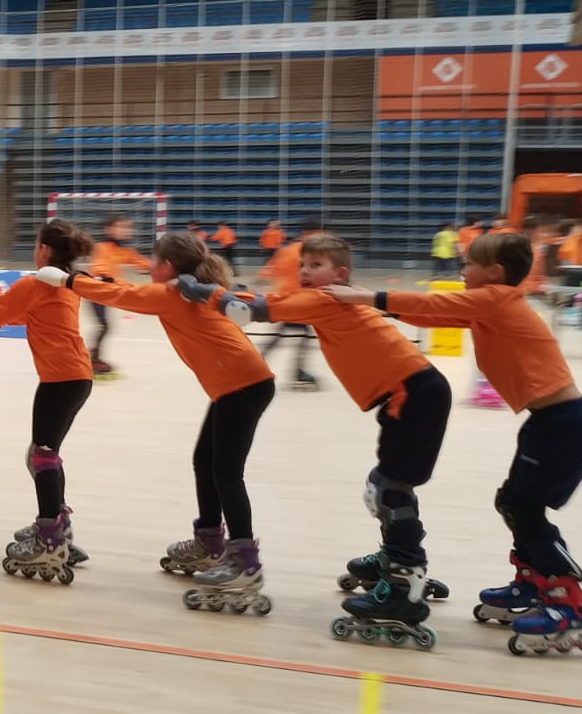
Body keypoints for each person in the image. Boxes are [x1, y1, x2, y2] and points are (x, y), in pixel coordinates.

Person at [320, 232, 582, 657]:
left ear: (495, 272)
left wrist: (366, 296)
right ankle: (533, 582)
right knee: (513, 503)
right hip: (549, 421)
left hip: (565, 423)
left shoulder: (497, 299)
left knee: (525, 510)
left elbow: (433, 303)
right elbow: (433, 316)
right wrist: (376, 307)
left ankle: (570, 604)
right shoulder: (489, 308)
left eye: (469, 264)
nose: (462, 270)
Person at [176, 233, 452, 649]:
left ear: (340, 273)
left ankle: (404, 582)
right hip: (410, 393)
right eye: (303, 264)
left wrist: (200, 291)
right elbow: (267, 299)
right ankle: (398, 559)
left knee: (389, 490)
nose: (305, 271)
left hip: (414, 394)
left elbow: (251, 310)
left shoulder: (325, 298)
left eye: (316, 265)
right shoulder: (333, 297)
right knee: (387, 485)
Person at [36, 231, 276, 615]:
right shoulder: (186, 289)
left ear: (167, 266)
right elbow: (125, 289)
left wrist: (68, 280)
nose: (148, 265)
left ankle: (245, 562)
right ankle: (210, 541)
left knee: (226, 473)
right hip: (238, 386)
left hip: (243, 387)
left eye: (153, 259)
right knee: (206, 463)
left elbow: (122, 296)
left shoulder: (172, 293)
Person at [0, 219, 95, 582]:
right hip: (78, 377)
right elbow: (22, 313)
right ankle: (57, 524)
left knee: (42, 455)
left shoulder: (36, 283)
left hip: (59, 380)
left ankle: (49, 538)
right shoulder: (66, 283)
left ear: (44, 249)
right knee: (43, 454)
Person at [259, 222, 319, 390]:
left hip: (284, 299)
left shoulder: (287, 250)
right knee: (300, 334)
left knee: (283, 334)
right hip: (296, 300)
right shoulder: (307, 252)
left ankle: (258, 362)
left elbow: (270, 272)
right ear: (309, 233)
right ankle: (297, 371)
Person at [85, 215, 147, 378]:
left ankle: (93, 357)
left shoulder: (126, 251)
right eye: (121, 227)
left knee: (105, 326)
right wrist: (103, 275)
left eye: (127, 227)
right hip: (94, 291)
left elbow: (142, 263)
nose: (125, 230)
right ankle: (93, 359)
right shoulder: (102, 247)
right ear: (109, 230)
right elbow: (100, 266)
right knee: (104, 326)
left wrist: (160, 267)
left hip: (107, 293)